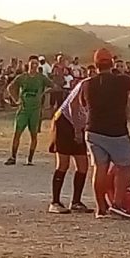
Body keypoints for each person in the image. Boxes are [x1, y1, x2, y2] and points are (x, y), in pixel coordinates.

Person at [80, 48, 130, 218]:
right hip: (116, 131)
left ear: (96, 65)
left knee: (99, 168)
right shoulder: (120, 81)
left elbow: (83, 103)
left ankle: (100, 207)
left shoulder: (87, 84)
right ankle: (117, 204)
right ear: (112, 63)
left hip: (93, 129)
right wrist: (120, 73)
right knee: (125, 166)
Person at [47, 74, 94, 214]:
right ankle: (55, 202)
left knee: (83, 165)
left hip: (79, 125)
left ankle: (76, 202)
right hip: (65, 122)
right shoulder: (87, 84)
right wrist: (77, 130)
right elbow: (73, 105)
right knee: (63, 163)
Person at [5, 57, 53, 166]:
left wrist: (43, 93)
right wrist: (16, 99)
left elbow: (53, 86)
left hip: (35, 109)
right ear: (29, 64)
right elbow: (10, 87)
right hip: (23, 108)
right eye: (32, 63)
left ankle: (30, 159)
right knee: (17, 133)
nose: (34, 66)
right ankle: (13, 157)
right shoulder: (22, 77)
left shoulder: (41, 78)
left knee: (34, 135)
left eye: (36, 64)